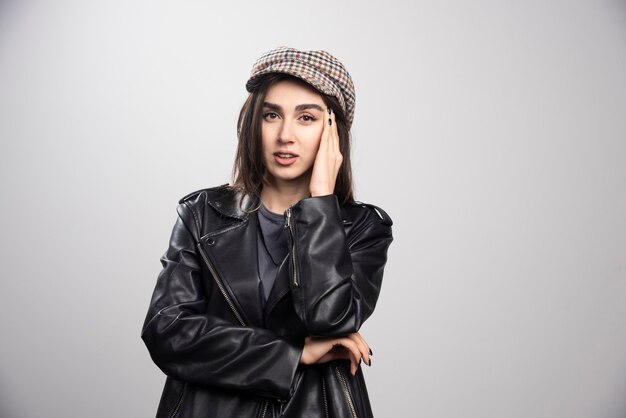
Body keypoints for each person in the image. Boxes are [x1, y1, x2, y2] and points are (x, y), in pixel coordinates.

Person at [141, 46, 394, 418]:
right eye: (271, 115)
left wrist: (322, 201)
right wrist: (294, 354)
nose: (285, 135)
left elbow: (329, 317)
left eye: (306, 118)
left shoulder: (363, 228)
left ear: (332, 133)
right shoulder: (201, 214)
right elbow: (167, 332)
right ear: (252, 124)